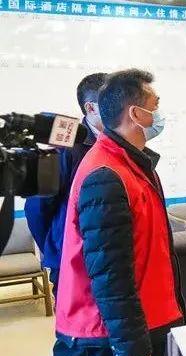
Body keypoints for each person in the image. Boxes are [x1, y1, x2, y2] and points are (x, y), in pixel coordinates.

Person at [50, 69, 184, 356]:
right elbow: (110, 274)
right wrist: (132, 349)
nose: (159, 114)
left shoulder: (131, 165)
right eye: (154, 106)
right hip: (112, 336)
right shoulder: (106, 174)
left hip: (136, 324)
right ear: (135, 113)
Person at [25, 72, 107, 295]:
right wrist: (57, 245)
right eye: (111, 100)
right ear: (91, 108)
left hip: (109, 257)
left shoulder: (119, 143)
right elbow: (36, 207)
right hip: (71, 259)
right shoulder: (63, 147)